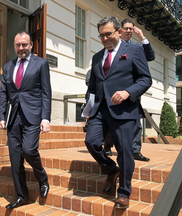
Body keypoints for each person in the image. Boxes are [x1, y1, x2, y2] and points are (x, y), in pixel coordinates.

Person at [85, 16, 152, 209]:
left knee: (124, 151)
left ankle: (123, 192)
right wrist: (88, 109)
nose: (105, 38)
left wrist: (127, 92)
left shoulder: (134, 50)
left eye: (108, 34)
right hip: (99, 109)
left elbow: (145, 79)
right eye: (101, 36)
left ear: (119, 32)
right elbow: (93, 86)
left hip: (124, 110)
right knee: (91, 142)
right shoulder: (97, 57)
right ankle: (110, 169)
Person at [0, 31, 51, 209]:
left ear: (31, 45)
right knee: (15, 158)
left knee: (29, 150)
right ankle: (22, 195)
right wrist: (1, 116)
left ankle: (42, 178)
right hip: (14, 117)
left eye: (24, 44)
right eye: (18, 45)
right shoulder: (8, 67)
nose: (21, 48)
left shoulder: (41, 64)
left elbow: (46, 92)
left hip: (33, 116)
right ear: (14, 45)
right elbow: (4, 93)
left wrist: (45, 118)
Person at [104, 18, 155, 161]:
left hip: (133, 91)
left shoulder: (137, 48)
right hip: (113, 92)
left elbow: (150, 57)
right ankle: (107, 145)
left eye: (131, 29)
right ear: (119, 31)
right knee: (112, 121)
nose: (128, 31)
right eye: (126, 28)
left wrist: (142, 38)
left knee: (136, 122)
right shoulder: (112, 47)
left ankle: (135, 150)